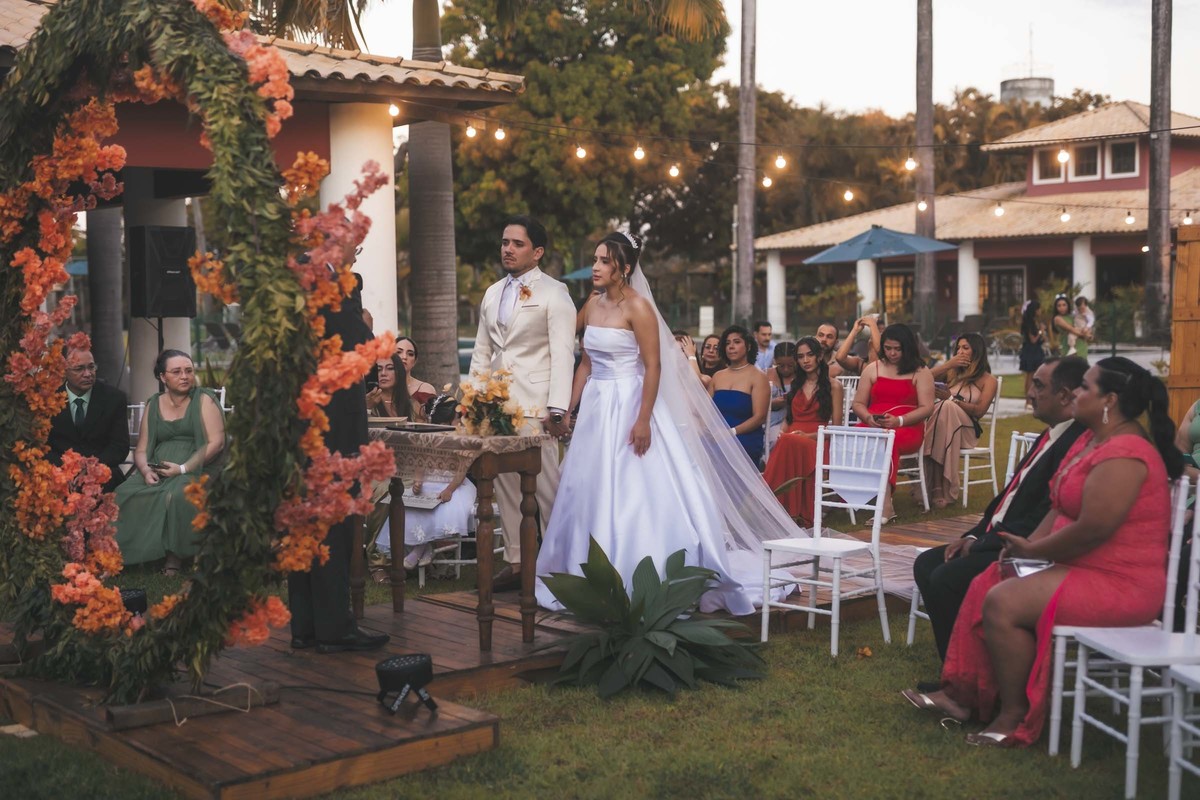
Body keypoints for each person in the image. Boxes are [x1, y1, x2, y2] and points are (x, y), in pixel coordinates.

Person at [905, 357, 1181, 747]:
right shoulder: (1091, 440)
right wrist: (1024, 552)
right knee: (991, 578)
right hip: (1084, 567)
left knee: (1003, 601)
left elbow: (1092, 530)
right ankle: (964, 696)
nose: (1076, 395)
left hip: (1122, 584)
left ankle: (1014, 715)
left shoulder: (1125, 454)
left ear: (1110, 401)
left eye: (1085, 388)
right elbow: (1057, 506)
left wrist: (1033, 549)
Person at [535, 231, 803, 615]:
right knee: (586, 486)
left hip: (631, 401)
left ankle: (641, 575)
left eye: (604, 261)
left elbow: (654, 366)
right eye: (595, 259)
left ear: (624, 268)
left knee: (634, 488)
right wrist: (563, 407)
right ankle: (585, 574)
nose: (595, 267)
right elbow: (586, 362)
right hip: (597, 406)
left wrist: (643, 419)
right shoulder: (591, 304)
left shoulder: (638, 308)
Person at [912, 356, 1087, 663]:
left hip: (1023, 548)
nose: (1029, 394)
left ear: (1064, 396)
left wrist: (983, 543)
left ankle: (970, 668)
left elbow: (1041, 516)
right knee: (927, 564)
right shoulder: (1052, 433)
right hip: (997, 536)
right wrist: (974, 535)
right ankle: (958, 664)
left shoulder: (1075, 444)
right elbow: (1006, 501)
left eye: (1038, 386)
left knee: (945, 579)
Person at [470, 214, 576, 591]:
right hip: (497, 408)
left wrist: (558, 409)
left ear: (537, 252)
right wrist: (476, 400)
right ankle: (517, 563)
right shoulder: (492, 292)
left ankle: (567, 563)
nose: (508, 249)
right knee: (506, 487)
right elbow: (483, 351)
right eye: (505, 242)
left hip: (537, 408)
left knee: (546, 487)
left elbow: (564, 354)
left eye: (517, 243)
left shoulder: (555, 293)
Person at [287, 273, 389, 654]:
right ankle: (334, 627)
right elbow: (361, 348)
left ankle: (305, 625)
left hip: (299, 427)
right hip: (334, 430)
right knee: (333, 528)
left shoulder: (289, 291)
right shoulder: (335, 289)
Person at [114, 350, 225, 573]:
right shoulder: (153, 404)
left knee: (176, 495)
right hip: (159, 467)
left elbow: (216, 442)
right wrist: (145, 471)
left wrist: (182, 468)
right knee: (121, 494)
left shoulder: (203, 399)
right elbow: (142, 448)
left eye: (189, 371)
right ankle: (122, 557)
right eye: (177, 372)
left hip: (198, 467)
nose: (185, 376)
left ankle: (174, 558)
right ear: (162, 377)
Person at [851, 324, 935, 523]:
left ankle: (886, 505)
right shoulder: (874, 368)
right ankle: (845, 495)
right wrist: (868, 418)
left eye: (897, 349)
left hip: (907, 427)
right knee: (849, 437)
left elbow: (926, 407)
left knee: (887, 441)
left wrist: (899, 421)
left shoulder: (920, 371)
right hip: (875, 423)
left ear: (907, 348)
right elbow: (858, 403)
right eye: (888, 348)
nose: (892, 353)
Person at [763, 337, 844, 526]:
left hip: (818, 441)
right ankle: (780, 508)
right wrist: (782, 432)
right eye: (800, 357)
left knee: (788, 442)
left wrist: (809, 436)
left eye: (810, 355)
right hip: (790, 440)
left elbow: (837, 428)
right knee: (785, 440)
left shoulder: (833, 386)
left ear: (820, 356)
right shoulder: (797, 385)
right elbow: (788, 418)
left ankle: (767, 500)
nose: (805, 360)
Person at [922, 333, 999, 507]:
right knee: (943, 410)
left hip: (966, 431)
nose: (960, 351)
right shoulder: (951, 373)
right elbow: (922, 378)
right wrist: (948, 364)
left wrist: (951, 399)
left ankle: (937, 487)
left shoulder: (989, 380)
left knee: (946, 406)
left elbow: (979, 411)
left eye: (965, 348)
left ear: (977, 351)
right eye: (958, 348)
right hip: (942, 428)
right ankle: (937, 486)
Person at [48, 344, 130, 493]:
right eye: (79, 369)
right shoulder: (47, 400)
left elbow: (119, 446)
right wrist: (68, 470)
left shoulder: (114, 398)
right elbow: (43, 446)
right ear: (63, 370)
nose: (88, 374)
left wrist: (91, 469)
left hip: (102, 472)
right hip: (58, 473)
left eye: (91, 367)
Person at [709, 324, 771, 464]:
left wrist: (730, 433)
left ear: (748, 346)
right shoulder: (717, 376)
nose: (731, 347)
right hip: (716, 434)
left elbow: (759, 417)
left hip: (744, 437)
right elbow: (706, 411)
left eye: (737, 342)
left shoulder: (758, 377)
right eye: (727, 343)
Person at [765, 341, 798, 452]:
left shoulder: (802, 376)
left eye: (790, 365)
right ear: (774, 360)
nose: (786, 369)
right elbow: (756, 402)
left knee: (780, 439)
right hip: (769, 421)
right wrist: (772, 403)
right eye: (781, 365)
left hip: (792, 420)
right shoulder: (766, 374)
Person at [395, 336, 436, 413]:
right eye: (398, 352)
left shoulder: (425, 390)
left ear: (415, 361)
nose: (404, 357)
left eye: (410, 354)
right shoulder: (381, 388)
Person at [365, 355, 414, 419]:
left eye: (390, 368)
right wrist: (367, 408)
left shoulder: (413, 404)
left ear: (399, 371)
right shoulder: (367, 402)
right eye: (378, 369)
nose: (383, 373)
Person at [1018, 300, 1046, 405]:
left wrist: (1042, 333)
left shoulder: (1035, 321)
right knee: (1030, 376)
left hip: (1037, 351)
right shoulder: (1028, 322)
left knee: (1036, 375)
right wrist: (1040, 331)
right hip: (1030, 351)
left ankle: (1034, 399)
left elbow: (1041, 340)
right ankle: (1028, 401)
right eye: (1038, 309)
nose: (1040, 311)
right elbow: (1033, 340)